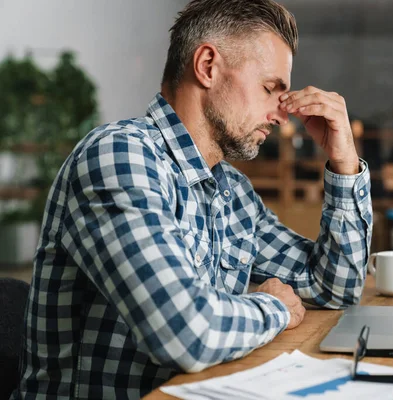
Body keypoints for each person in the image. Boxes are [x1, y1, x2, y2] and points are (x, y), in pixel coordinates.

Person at [13, 0, 372, 398]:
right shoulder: (118, 156)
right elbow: (183, 332)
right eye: (270, 89)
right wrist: (272, 308)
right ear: (207, 66)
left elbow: (335, 288)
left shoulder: (232, 191)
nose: (280, 115)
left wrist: (344, 163)